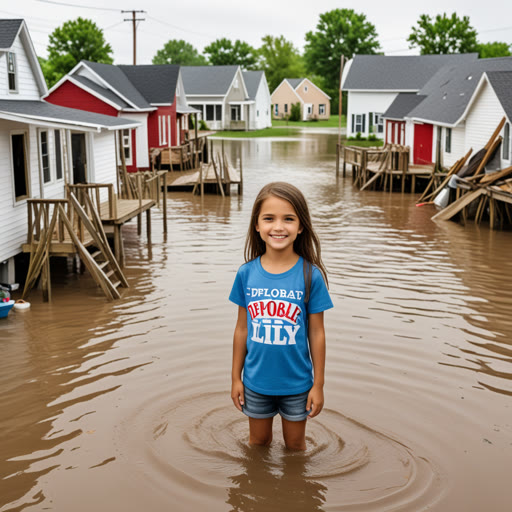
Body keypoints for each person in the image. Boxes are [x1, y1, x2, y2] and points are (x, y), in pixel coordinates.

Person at [229, 182, 333, 451]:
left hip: (297, 384)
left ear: (301, 226)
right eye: (269, 218)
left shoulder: (311, 276)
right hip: (255, 382)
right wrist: (235, 379)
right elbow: (242, 329)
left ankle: (295, 492)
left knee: (296, 448)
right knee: (258, 445)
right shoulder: (246, 274)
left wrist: (318, 385)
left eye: (288, 219)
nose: (278, 227)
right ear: (257, 225)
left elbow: (317, 333)